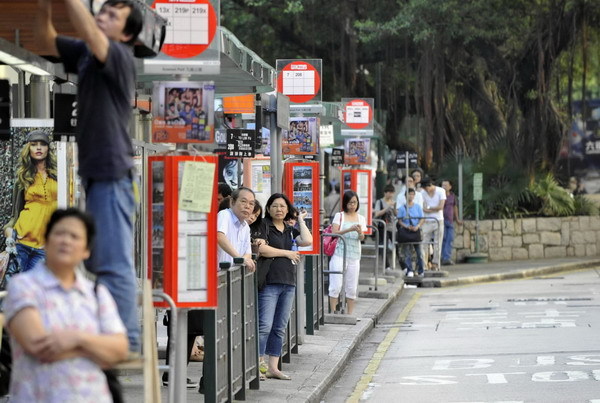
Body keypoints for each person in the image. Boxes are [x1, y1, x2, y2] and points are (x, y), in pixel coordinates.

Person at [35, 0, 144, 352]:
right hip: (99, 174)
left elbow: (87, 30)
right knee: (101, 261)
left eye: (113, 16)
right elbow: (45, 39)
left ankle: (126, 339)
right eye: (104, 9)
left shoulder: (118, 55)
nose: (103, 16)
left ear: (126, 35)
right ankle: (114, 332)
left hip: (112, 173)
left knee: (113, 263)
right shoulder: (86, 51)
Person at [4, 208, 128, 402]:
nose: (66, 241)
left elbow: (120, 349)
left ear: (86, 250)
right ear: (46, 240)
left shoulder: (96, 293)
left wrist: (78, 338)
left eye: (75, 236)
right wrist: (99, 350)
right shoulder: (23, 286)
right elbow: (37, 345)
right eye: (59, 233)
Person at [256, 193, 312, 380]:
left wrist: (300, 221)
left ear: (288, 209)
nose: (279, 209)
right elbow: (262, 249)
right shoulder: (264, 226)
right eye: (275, 206)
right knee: (264, 325)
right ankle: (258, 365)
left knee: (279, 327)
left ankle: (273, 367)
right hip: (270, 282)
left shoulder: (289, 230)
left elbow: (307, 240)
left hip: (288, 282)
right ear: (268, 209)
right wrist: (287, 253)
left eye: (282, 206)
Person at [4, 130, 57, 273]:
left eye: (42, 144)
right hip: (21, 242)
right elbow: (15, 214)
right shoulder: (23, 178)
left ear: (48, 148)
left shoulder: (59, 175)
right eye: (34, 145)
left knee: (38, 290)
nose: (38, 148)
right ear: (29, 149)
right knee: (18, 289)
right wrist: (10, 233)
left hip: (45, 246)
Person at [328, 190, 367, 315]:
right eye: (350, 203)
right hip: (339, 253)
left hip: (354, 255)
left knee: (352, 286)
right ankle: (333, 311)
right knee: (336, 283)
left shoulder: (361, 218)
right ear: (345, 203)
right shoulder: (339, 216)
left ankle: (350, 313)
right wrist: (349, 229)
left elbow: (362, 238)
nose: (352, 205)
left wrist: (360, 232)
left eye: (355, 203)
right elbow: (334, 232)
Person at [217, 187, 256, 272]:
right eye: (243, 201)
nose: (247, 206)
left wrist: (244, 260)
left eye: (251, 204)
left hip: (233, 277)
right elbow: (219, 236)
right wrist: (239, 259)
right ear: (232, 202)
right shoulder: (224, 215)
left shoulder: (246, 226)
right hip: (218, 275)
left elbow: (248, 253)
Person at [397, 188, 425, 277]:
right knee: (407, 253)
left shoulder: (417, 207)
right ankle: (410, 270)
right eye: (409, 194)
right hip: (406, 231)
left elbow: (422, 218)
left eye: (412, 194)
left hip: (416, 231)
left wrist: (417, 226)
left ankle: (421, 270)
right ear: (405, 196)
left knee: (419, 253)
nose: (411, 196)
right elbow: (399, 220)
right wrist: (407, 226)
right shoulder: (402, 208)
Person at [420, 178, 446, 271]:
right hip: (426, 221)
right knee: (424, 243)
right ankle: (424, 264)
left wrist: (429, 208)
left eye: (427, 188)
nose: (426, 190)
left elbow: (440, 207)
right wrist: (429, 209)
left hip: (438, 220)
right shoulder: (422, 193)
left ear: (430, 185)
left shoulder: (440, 191)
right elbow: (423, 208)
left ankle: (436, 264)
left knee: (437, 243)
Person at [373, 184, 396, 270]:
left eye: (392, 193)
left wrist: (394, 208)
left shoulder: (393, 202)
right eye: (389, 192)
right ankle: (387, 265)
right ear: (385, 193)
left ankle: (402, 266)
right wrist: (387, 207)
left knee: (396, 245)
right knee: (383, 246)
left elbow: (396, 214)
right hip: (383, 227)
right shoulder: (380, 202)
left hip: (392, 226)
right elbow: (377, 214)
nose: (391, 195)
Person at [441, 179, 462, 265]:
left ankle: (446, 257)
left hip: (450, 220)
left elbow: (455, 208)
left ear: (450, 187)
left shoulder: (453, 196)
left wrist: (457, 219)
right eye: (443, 185)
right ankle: (444, 258)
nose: (444, 187)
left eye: (446, 185)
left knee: (450, 239)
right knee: (444, 239)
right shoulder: (440, 195)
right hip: (441, 220)